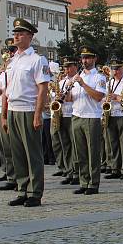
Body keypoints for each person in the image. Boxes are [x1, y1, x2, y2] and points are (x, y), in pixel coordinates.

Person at [1, 18, 51, 207]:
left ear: (30, 36)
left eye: (20, 33)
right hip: (13, 109)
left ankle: (35, 192)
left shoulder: (37, 60)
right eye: (15, 33)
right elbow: (7, 90)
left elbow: (42, 89)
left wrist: (38, 114)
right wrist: (5, 115)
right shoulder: (12, 60)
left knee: (32, 153)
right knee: (18, 153)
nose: (16, 36)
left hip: (29, 109)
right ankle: (22, 188)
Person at [67, 46, 107, 196]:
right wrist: (66, 92)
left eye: (88, 58)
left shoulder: (99, 77)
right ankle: (84, 182)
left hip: (92, 117)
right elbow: (70, 99)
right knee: (81, 153)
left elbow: (98, 96)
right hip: (76, 115)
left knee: (93, 152)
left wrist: (83, 84)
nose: (85, 61)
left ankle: (94, 183)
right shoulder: (77, 76)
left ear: (94, 59)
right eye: (83, 58)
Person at [0, 38, 17, 189]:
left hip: (15, 110)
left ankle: (18, 176)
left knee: (15, 147)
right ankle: (9, 173)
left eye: (11, 51)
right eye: (7, 52)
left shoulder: (17, 67)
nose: (9, 55)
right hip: (2, 109)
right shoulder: (3, 72)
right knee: (5, 146)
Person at [52, 57, 79, 185]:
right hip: (62, 114)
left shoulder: (78, 80)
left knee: (75, 146)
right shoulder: (62, 82)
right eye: (65, 67)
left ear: (75, 67)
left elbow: (75, 98)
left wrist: (66, 96)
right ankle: (69, 171)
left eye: (69, 67)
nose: (66, 70)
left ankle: (76, 172)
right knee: (65, 145)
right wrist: (56, 97)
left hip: (73, 114)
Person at [102, 58, 123, 180]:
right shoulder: (109, 83)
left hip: (122, 115)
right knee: (112, 144)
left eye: (117, 69)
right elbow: (102, 99)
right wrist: (106, 99)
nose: (115, 71)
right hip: (111, 114)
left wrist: (116, 97)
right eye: (113, 69)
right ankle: (114, 168)